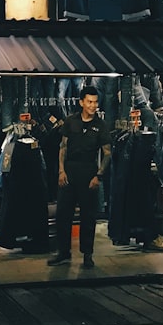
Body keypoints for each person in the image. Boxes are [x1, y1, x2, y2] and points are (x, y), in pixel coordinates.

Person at [47, 85, 111, 269]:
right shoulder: (70, 121)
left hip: (89, 172)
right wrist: (61, 171)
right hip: (69, 172)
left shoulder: (100, 125)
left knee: (88, 217)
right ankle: (63, 252)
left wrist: (98, 175)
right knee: (63, 215)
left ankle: (87, 255)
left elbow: (107, 152)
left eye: (95, 102)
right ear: (82, 102)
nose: (93, 105)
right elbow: (63, 147)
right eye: (89, 102)